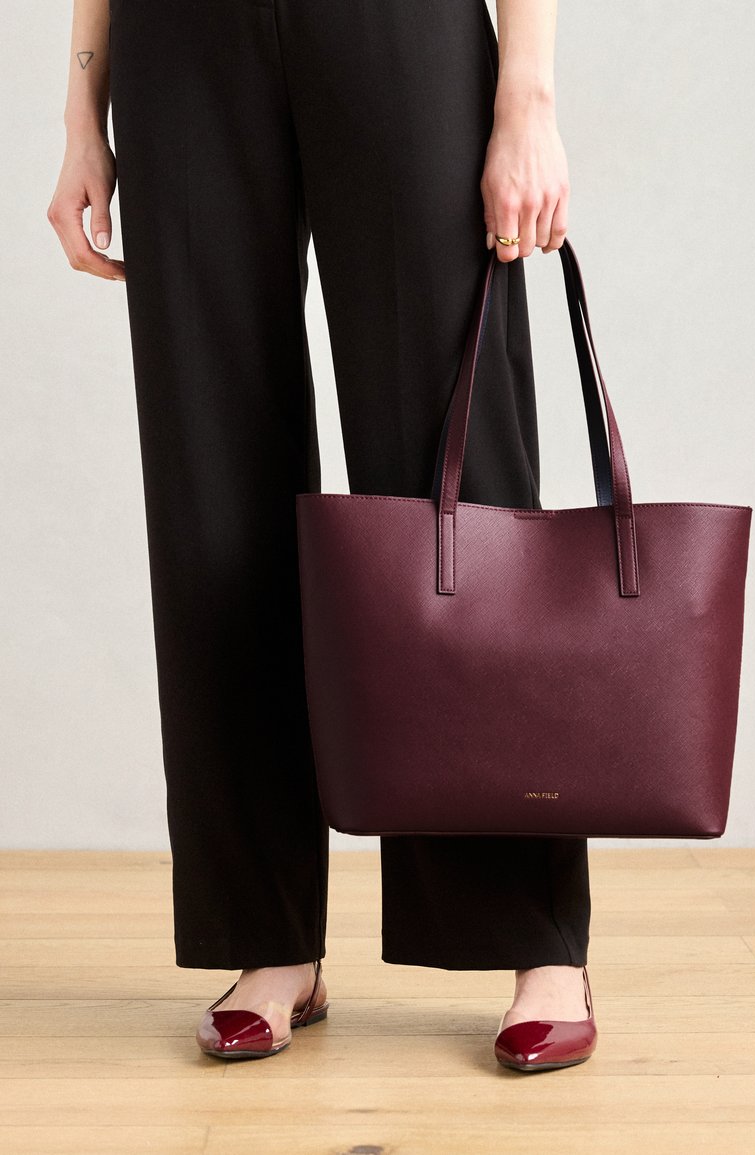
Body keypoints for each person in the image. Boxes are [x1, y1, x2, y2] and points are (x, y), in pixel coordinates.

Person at [47, 0, 596, 1072]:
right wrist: (82, 114)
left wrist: (526, 97)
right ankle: (271, 937)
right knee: (212, 492)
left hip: (395, 25)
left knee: (457, 483)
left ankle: (532, 933)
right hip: (182, 41)